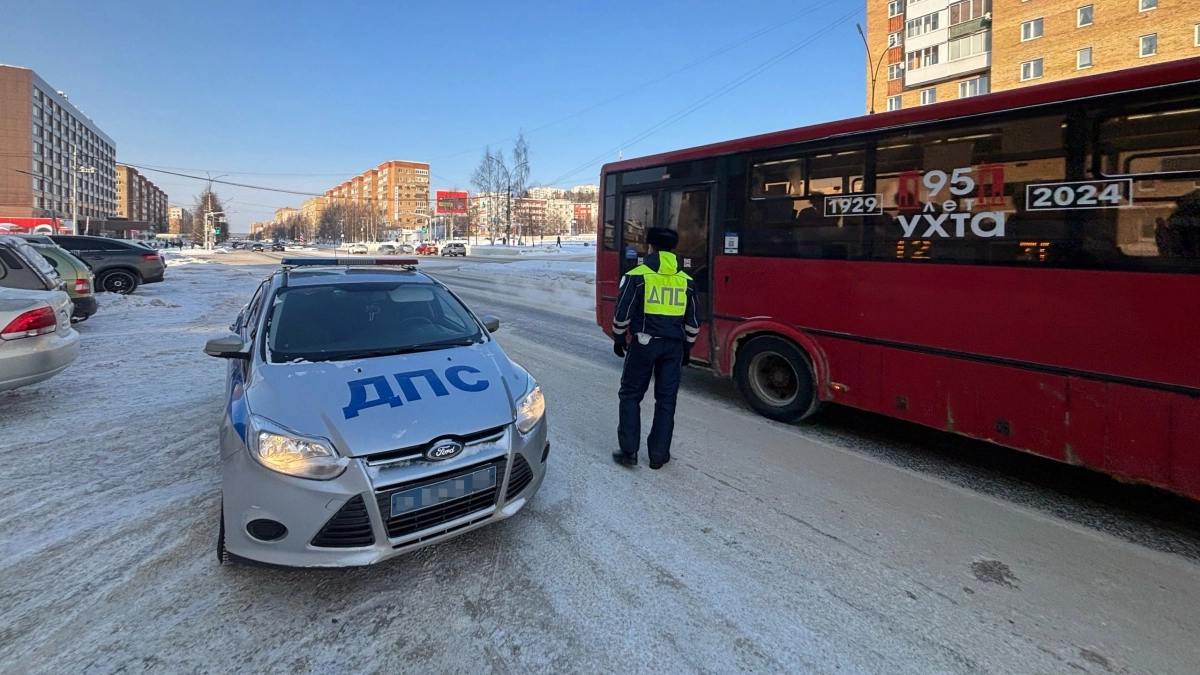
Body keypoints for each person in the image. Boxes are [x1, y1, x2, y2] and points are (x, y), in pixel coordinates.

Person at [611, 227, 700, 470]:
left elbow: (622, 312)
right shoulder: (687, 280)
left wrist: (619, 338)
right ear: (673, 249)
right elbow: (693, 321)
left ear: (650, 247)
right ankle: (659, 456)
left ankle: (629, 452)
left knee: (630, 395)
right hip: (673, 347)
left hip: (643, 343)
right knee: (666, 400)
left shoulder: (637, 275)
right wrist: (688, 347)